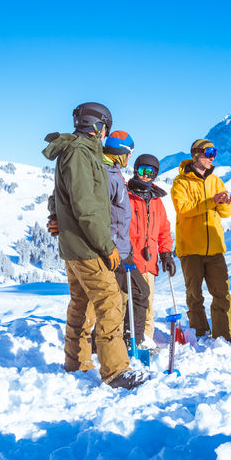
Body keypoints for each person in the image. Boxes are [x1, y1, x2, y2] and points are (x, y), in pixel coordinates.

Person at [42, 102, 147, 389]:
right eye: (106, 129)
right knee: (110, 302)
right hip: (88, 246)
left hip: (77, 245)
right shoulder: (79, 153)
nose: (106, 135)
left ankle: (76, 362)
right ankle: (115, 371)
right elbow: (85, 206)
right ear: (99, 126)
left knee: (81, 303)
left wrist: (56, 217)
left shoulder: (82, 153)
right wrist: (107, 245)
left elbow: (59, 196)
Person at [171, 139, 231, 349]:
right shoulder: (180, 182)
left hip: (214, 248)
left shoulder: (216, 181)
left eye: (215, 152)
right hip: (190, 248)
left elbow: (225, 213)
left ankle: (224, 334)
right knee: (195, 294)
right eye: (209, 152)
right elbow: (183, 209)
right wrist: (212, 201)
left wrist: (224, 204)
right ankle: (200, 332)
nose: (213, 157)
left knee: (222, 292)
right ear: (196, 155)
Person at [100, 131, 150, 349]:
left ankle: (129, 338)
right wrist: (108, 246)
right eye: (129, 153)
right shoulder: (108, 177)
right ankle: (132, 341)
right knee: (137, 292)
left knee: (135, 292)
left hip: (122, 248)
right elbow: (100, 216)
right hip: (113, 250)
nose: (130, 157)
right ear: (121, 152)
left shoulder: (114, 173)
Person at [127, 153, 176, 348]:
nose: (146, 175)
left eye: (151, 172)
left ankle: (145, 340)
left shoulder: (157, 200)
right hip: (129, 260)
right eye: (142, 170)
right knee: (126, 303)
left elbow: (164, 229)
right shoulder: (126, 195)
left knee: (147, 305)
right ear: (135, 170)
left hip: (149, 263)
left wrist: (166, 253)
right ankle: (127, 338)